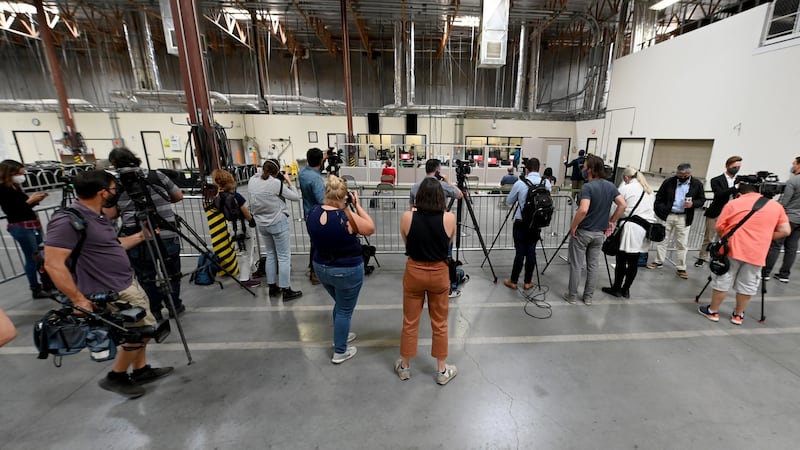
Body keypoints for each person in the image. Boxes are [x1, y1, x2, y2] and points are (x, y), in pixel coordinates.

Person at [44, 170, 173, 398]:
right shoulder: (68, 221)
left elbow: (114, 245)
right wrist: (77, 299)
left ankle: (140, 369)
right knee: (141, 331)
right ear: (102, 192)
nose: (117, 193)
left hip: (125, 281)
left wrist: (143, 235)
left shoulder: (98, 215)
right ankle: (117, 376)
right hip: (109, 288)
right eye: (114, 189)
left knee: (139, 329)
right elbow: (53, 264)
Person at [698, 181, 789, 325]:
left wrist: (727, 237)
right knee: (748, 283)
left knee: (723, 279)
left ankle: (713, 311)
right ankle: (738, 315)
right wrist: (764, 237)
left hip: (731, 249)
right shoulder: (776, 207)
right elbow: (785, 230)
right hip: (757, 252)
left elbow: (720, 227)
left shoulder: (734, 204)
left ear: (739, 194)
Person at [108, 148, 185, 321]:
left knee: (146, 275)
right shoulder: (156, 176)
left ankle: (155, 308)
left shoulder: (115, 185)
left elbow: (110, 214)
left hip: (135, 238)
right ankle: (174, 304)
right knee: (172, 271)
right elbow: (178, 195)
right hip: (166, 232)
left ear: (114, 164)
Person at [395, 178, 458, 385]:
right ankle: (441, 370)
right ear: (441, 196)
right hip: (439, 273)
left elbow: (407, 242)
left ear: (419, 195)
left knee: (410, 321)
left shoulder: (407, 217)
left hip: (414, 271)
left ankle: (404, 366)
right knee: (439, 323)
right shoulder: (449, 218)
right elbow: (446, 243)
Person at [306, 175, 375, 364]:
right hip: (347, 269)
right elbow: (370, 227)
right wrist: (357, 206)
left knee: (340, 304)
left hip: (321, 267)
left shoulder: (312, 212)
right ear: (344, 197)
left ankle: (341, 335)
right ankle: (340, 351)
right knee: (345, 310)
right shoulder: (345, 217)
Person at [564, 155, 626, 305]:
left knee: (577, 265)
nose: (583, 170)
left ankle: (572, 296)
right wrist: (611, 221)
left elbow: (583, 210)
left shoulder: (588, 187)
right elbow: (622, 205)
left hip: (584, 231)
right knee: (593, 266)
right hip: (600, 233)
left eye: (584, 167)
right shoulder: (610, 186)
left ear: (590, 170)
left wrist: (573, 226)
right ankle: (588, 297)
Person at [248, 159, 302, 300]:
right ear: (276, 172)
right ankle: (286, 290)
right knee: (284, 256)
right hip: (277, 222)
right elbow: (295, 197)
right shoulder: (276, 184)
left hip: (262, 224)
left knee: (271, 254)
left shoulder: (252, 181)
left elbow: (259, 177)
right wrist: (289, 182)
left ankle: (272, 287)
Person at [0, 160, 52, 299]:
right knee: (32, 257)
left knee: (39, 255)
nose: (22, 176)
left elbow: (24, 207)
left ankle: (46, 282)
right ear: (10, 173)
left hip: (32, 224)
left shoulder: (15, 187)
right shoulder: (3, 190)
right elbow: (13, 210)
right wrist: (30, 201)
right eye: (19, 173)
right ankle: (35, 287)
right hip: (21, 226)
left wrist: (35, 200)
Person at [601, 167, 656, 298]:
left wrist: (610, 221)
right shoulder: (649, 190)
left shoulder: (626, 188)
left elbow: (617, 206)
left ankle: (616, 288)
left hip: (630, 228)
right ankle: (626, 289)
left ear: (626, 178)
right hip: (644, 229)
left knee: (621, 259)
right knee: (633, 261)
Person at [647, 163, 706, 279]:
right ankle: (658, 261)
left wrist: (693, 204)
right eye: (680, 175)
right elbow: (659, 198)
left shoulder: (696, 184)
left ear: (689, 174)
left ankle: (681, 267)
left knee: (682, 243)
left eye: (685, 176)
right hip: (668, 215)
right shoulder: (668, 182)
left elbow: (702, 199)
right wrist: (662, 211)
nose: (682, 177)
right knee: (662, 239)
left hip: (684, 217)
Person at [503, 157, 551, 291]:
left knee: (520, 252)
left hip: (521, 222)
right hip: (536, 223)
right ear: (539, 168)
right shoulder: (546, 183)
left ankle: (513, 281)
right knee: (531, 251)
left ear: (526, 169)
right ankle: (528, 282)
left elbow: (509, 201)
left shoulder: (520, 183)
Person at [696, 156, 741, 267]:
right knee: (709, 236)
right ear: (727, 166)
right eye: (734, 167)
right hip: (717, 211)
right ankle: (702, 257)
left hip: (732, 213)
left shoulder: (740, 180)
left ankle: (719, 256)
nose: (736, 169)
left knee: (725, 237)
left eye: (738, 167)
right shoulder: (716, 180)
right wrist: (734, 188)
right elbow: (719, 194)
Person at [763, 156, 800, 283]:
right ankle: (784, 274)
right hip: (798, 220)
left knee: (775, 245)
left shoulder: (793, 181)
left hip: (788, 217)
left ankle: (766, 272)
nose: (793, 166)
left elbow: (784, 201)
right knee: (792, 248)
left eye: (794, 164)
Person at [299, 147, 326, 284]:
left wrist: (323, 159)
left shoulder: (303, 173)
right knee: (318, 244)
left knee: (314, 242)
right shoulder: (316, 179)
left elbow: (314, 168)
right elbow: (322, 200)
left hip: (308, 212)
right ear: (321, 161)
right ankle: (315, 273)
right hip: (318, 215)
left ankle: (312, 267)